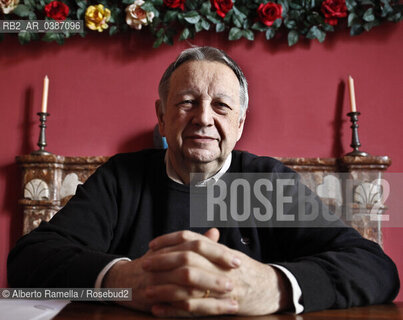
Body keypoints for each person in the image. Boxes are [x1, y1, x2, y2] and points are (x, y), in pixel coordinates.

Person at [8, 46, 399, 317]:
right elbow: (30, 259)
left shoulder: (263, 183)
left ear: (240, 123)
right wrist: (121, 279)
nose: (203, 118)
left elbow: (375, 268)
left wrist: (272, 286)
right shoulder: (122, 179)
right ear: (162, 117)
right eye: (187, 102)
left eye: (222, 106)